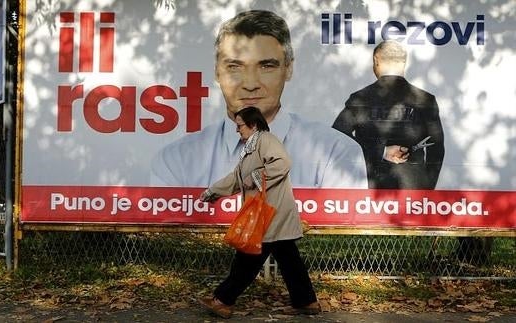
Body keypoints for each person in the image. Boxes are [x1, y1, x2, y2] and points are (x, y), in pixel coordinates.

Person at [150, 9, 367, 189]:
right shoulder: (175, 160)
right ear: (217, 72)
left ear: (288, 68)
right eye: (234, 67)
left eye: (266, 66)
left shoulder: (336, 151)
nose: (250, 83)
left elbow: (338, 238)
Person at [198, 106, 320, 319]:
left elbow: (283, 163)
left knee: (247, 259)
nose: (238, 131)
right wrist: (212, 192)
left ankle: (222, 301)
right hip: (270, 215)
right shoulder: (251, 149)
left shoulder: (266, 140)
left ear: (253, 124)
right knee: (289, 261)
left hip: (271, 214)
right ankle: (306, 302)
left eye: (240, 126)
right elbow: (236, 178)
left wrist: (255, 176)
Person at [332, 40, 445, 189]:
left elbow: (338, 138)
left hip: (368, 188)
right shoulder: (425, 100)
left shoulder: (360, 98)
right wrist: (426, 188)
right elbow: (436, 148)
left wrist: (381, 151)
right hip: (413, 191)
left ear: (376, 61)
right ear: (404, 63)